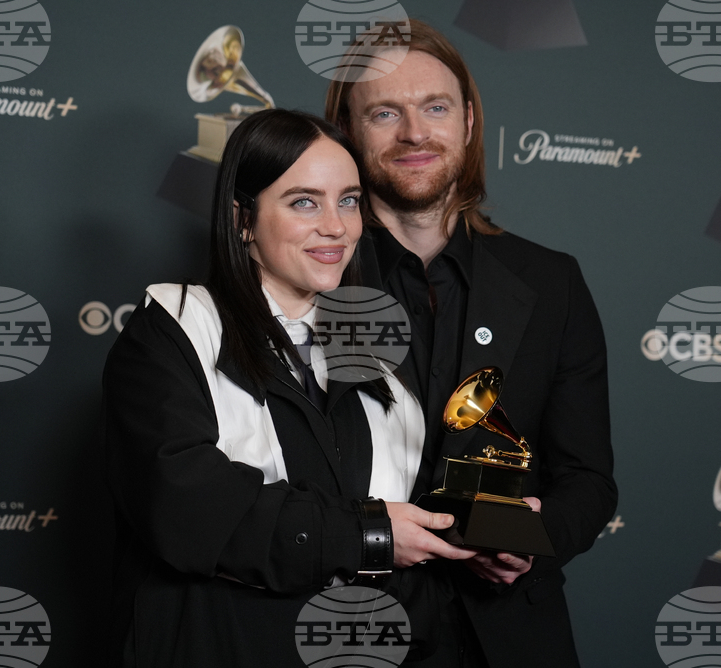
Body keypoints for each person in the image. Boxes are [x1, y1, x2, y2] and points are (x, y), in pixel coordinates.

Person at [102, 108, 476, 667]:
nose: (336, 226)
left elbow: (406, 529)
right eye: (304, 201)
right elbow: (186, 507)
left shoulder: (376, 356)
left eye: (348, 200)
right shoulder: (176, 327)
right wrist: (365, 534)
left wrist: (480, 533)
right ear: (243, 217)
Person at [325, 21, 619, 667]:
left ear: (468, 120)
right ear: (346, 130)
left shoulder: (552, 282)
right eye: (384, 112)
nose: (414, 133)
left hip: (510, 633)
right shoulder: (306, 278)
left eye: (435, 107)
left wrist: (534, 537)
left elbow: (589, 480)